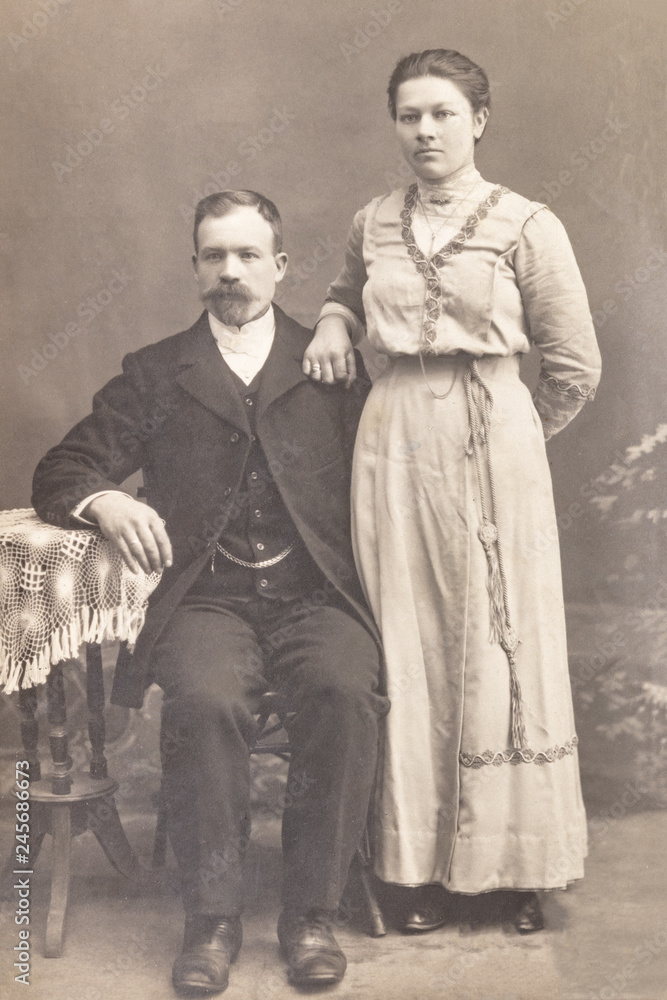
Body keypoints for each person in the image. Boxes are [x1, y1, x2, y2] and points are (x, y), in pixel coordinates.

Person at [32, 190, 388, 996]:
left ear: (281, 265)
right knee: (202, 700)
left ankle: (310, 915)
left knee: (341, 689)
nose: (231, 272)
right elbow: (62, 468)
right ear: (195, 266)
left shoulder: (330, 366)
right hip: (208, 600)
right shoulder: (158, 371)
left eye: (248, 255)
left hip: (314, 597)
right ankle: (212, 920)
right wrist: (108, 499)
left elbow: (398, 477)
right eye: (214, 256)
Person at [303, 49, 601, 935]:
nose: (424, 131)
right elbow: (343, 294)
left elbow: (575, 366)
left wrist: (506, 444)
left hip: (493, 439)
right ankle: (416, 870)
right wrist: (330, 317)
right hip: (391, 444)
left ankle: (516, 869)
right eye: (408, 116)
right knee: (409, 645)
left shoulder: (525, 224)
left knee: (502, 648)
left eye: (441, 113)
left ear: (478, 120)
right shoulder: (374, 219)